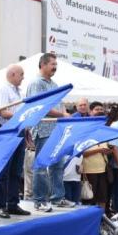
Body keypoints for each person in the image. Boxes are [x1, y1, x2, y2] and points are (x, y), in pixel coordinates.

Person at [27, 53, 73, 212]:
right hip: (43, 129)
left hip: (56, 129)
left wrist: (64, 113)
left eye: (56, 65)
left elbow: (59, 106)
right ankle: (39, 200)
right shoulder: (36, 83)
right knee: (41, 166)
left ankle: (57, 198)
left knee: (57, 165)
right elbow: (40, 107)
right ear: (43, 64)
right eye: (52, 64)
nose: (55, 67)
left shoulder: (54, 84)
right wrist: (62, 114)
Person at [0, 64, 31, 219]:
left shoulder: (20, 93)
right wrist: (21, 118)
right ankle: (1, 206)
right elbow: (2, 111)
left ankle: (13, 204)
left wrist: (25, 124)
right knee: (3, 171)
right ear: (13, 74)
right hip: (6, 131)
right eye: (21, 74)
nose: (23, 77)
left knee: (16, 170)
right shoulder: (3, 90)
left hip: (19, 131)